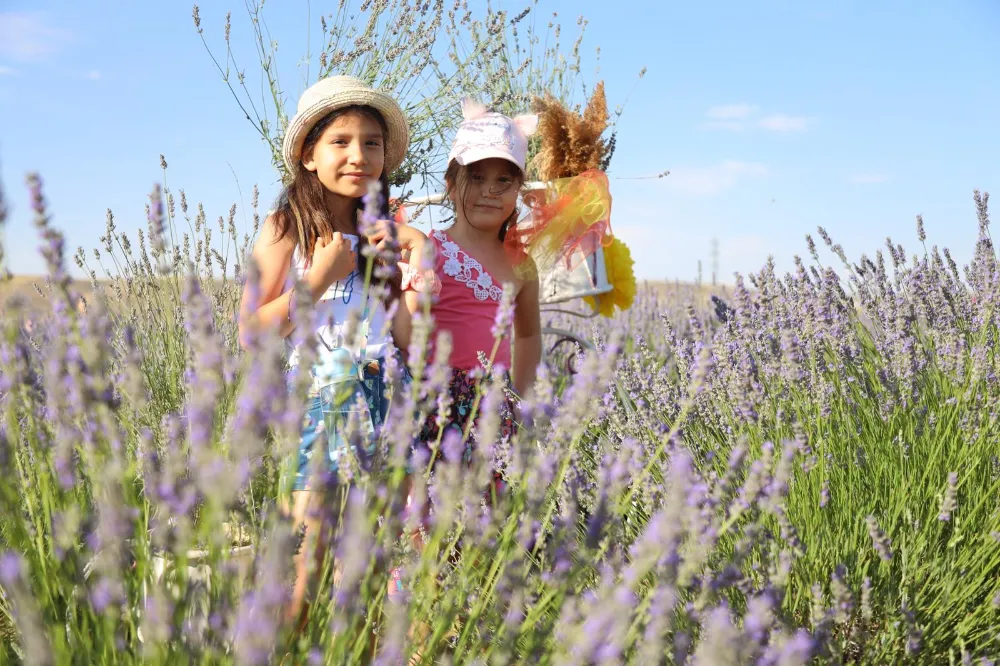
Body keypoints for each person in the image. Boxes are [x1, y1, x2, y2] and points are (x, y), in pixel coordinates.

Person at [236, 74, 424, 625]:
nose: (357, 155)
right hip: (324, 398)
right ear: (308, 156)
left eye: (370, 143)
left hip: (389, 394)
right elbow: (249, 331)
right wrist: (316, 280)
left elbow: (406, 337)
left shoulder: (385, 231)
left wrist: (415, 270)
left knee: (377, 558)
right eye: (339, 142)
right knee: (308, 555)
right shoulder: (285, 228)